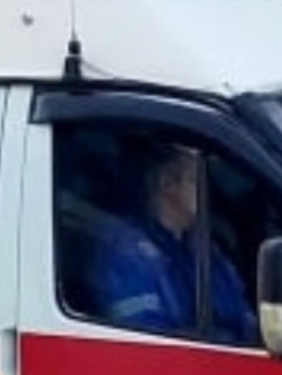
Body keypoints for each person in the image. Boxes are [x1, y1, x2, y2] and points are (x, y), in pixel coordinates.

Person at [85, 142, 258, 343]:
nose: (205, 191)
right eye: (194, 180)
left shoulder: (205, 249)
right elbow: (147, 339)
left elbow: (243, 315)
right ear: (167, 182)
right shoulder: (129, 254)